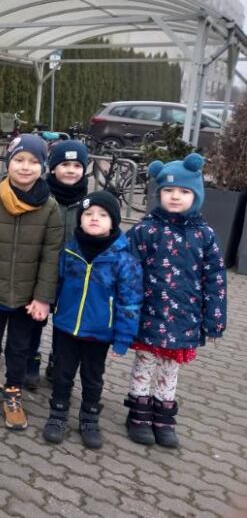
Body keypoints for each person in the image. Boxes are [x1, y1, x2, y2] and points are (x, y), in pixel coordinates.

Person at [124, 153, 226, 448]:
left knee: (170, 368)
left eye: (184, 191)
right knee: (145, 363)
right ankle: (138, 414)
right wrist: (125, 311)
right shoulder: (145, 230)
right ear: (159, 194)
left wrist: (214, 319)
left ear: (196, 195)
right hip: (150, 313)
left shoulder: (204, 235)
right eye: (168, 190)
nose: (175, 196)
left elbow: (215, 279)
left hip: (185, 318)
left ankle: (163, 416)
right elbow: (128, 271)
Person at [0, 134, 63, 430]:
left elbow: (51, 256)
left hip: (27, 298)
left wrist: (43, 298)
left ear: (43, 166)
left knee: (20, 348)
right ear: (9, 162)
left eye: (33, 161)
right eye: (19, 159)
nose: (25, 167)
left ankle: (13, 391)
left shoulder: (50, 207)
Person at [43, 191, 142, 449]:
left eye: (102, 215)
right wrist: (48, 305)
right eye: (88, 214)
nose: (94, 218)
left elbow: (130, 301)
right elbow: (55, 283)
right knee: (62, 374)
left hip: (99, 333)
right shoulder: (69, 250)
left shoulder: (123, 259)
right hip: (65, 327)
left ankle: (89, 418)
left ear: (114, 221)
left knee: (93, 377)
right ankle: (58, 414)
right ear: (80, 219)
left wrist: (123, 337)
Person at [26, 140, 90, 388]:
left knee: (64, 324)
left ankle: (57, 362)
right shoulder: (40, 195)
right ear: (52, 167)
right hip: (41, 271)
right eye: (65, 164)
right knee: (34, 320)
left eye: (77, 165)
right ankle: (30, 360)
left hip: (72, 275)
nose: (71, 170)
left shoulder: (89, 203)